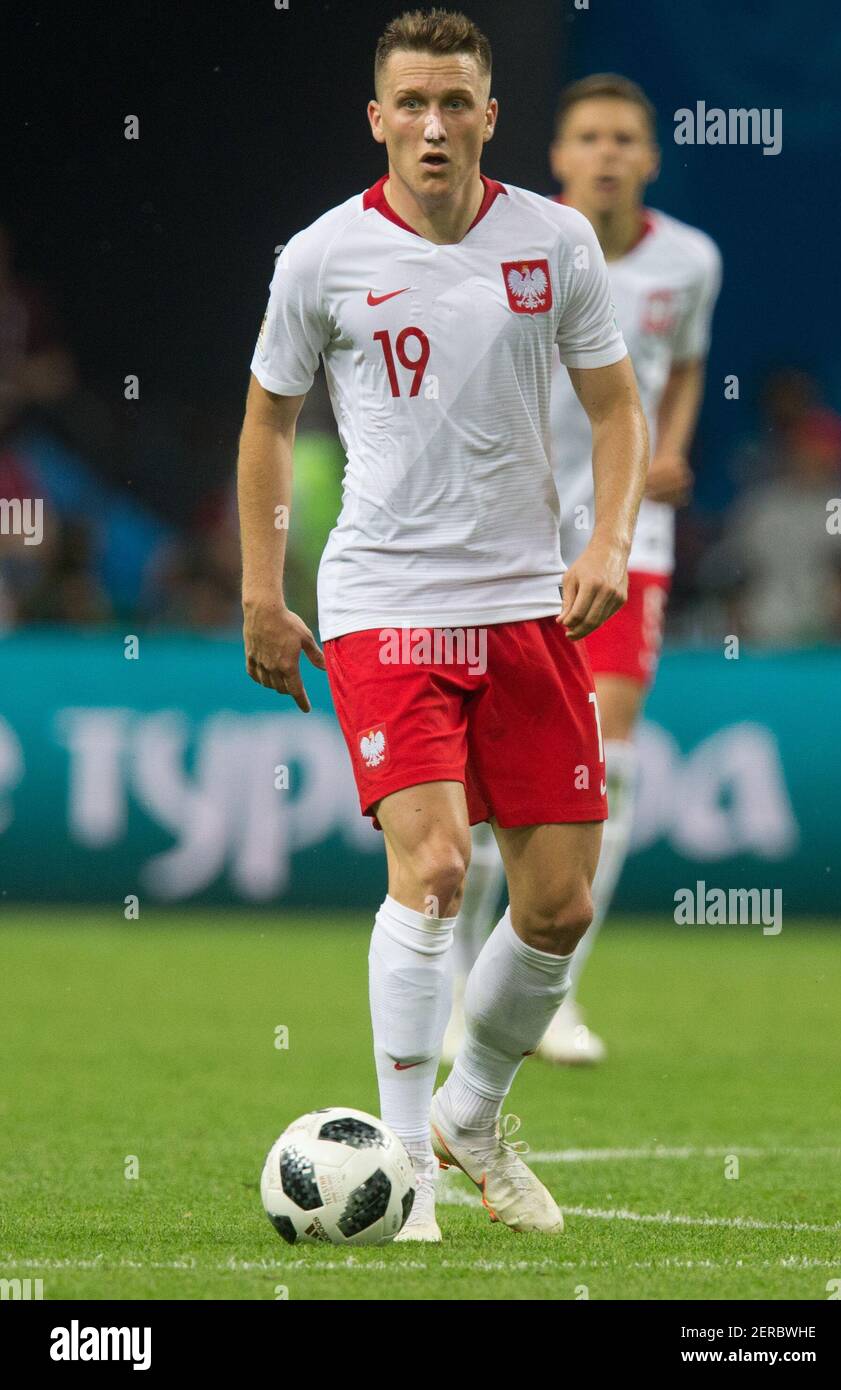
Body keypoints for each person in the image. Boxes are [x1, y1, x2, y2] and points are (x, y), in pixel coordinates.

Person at [237, 11, 647, 1241]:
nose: (431, 125)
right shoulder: (320, 258)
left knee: (559, 908)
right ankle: (404, 1168)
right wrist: (264, 587)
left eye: (453, 103)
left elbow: (617, 410)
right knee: (426, 871)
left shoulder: (553, 241)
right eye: (409, 104)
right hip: (383, 606)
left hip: (523, 605)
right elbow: (268, 422)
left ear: (487, 116)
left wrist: (607, 541)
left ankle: (473, 1113)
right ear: (377, 118)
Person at [445, 74, 722, 1065]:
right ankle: (453, 985)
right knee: (482, 777)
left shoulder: (689, 261)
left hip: (622, 534)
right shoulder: (508, 247)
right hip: (507, 533)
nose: (604, 153)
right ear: (555, 155)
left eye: (622, 139)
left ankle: (546, 993)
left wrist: (666, 449)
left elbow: (681, 364)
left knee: (601, 755)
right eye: (586, 138)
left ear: (648, 158)